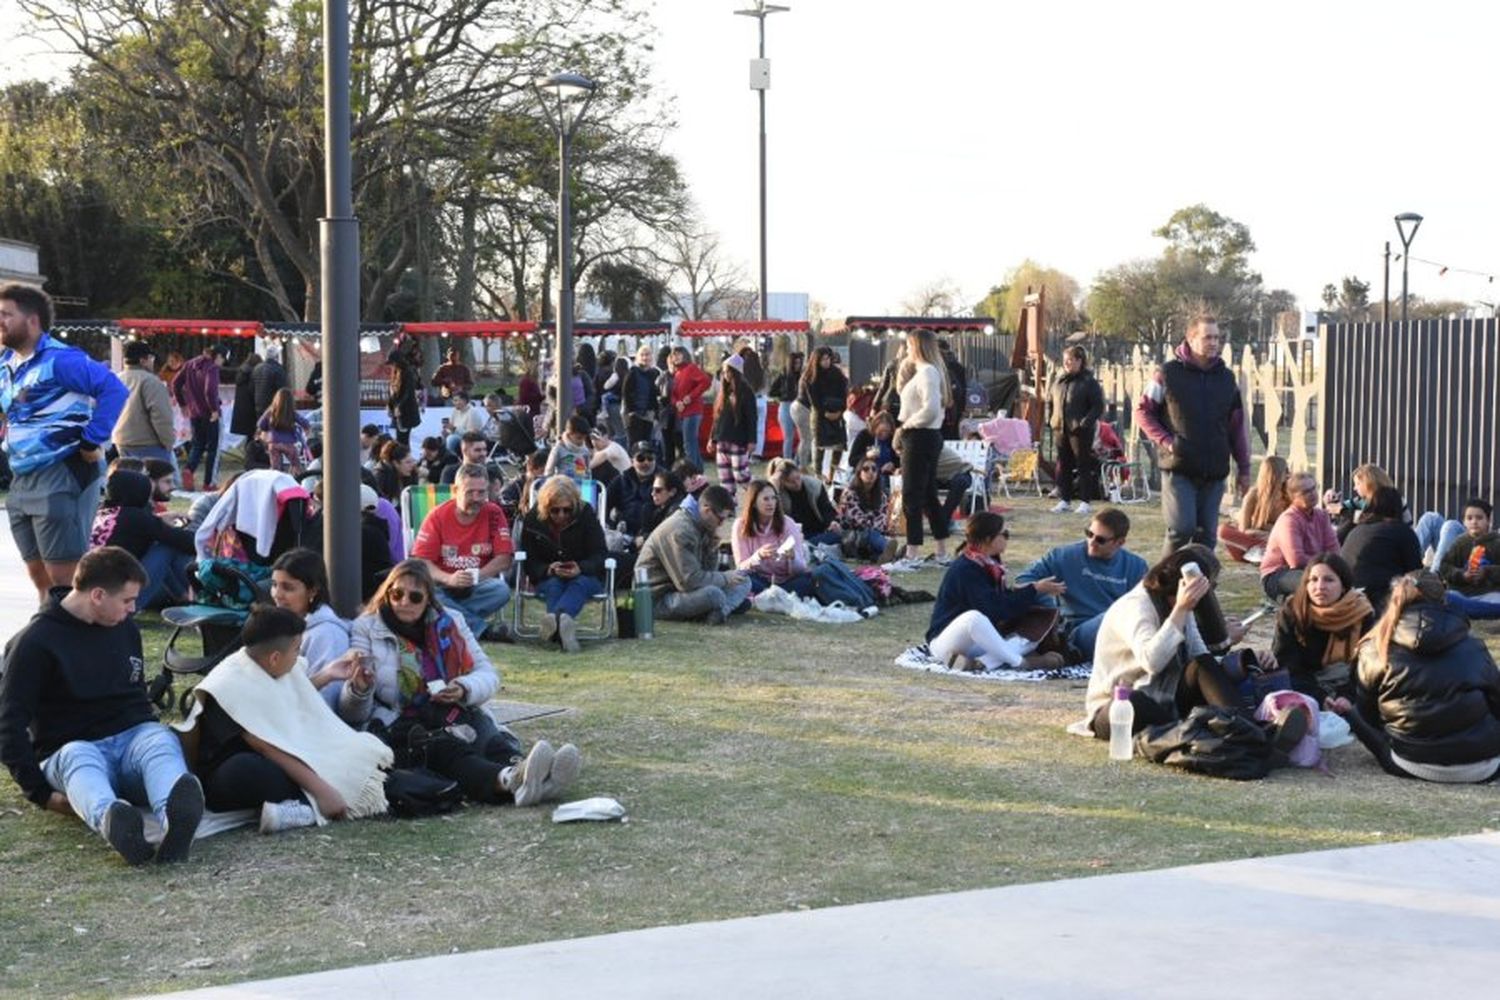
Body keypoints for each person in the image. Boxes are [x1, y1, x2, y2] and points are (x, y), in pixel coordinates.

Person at [0, 547, 204, 865]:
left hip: (131, 740)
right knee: (78, 757)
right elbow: (9, 723)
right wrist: (40, 793)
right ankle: (115, 821)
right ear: (97, 595)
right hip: (70, 748)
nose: (133, 608)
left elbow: (136, 694)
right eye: (127, 600)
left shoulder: (124, 628)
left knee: (158, 739)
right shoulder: (33, 644)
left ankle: (175, 818)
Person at [343, 560, 580, 806]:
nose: (404, 602)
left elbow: (487, 673)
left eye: (415, 597)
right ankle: (513, 780)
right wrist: (360, 688)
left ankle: (532, 776)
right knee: (448, 747)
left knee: (486, 731)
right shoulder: (367, 627)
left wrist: (463, 687)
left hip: (450, 710)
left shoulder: (451, 622)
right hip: (399, 722)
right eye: (397, 594)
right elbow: (354, 713)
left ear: (428, 600)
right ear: (387, 593)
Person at [174, 605, 391, 834]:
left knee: (342, 750)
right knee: (250, 770)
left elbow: (286, 697)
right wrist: (322, 790)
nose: (299, 656)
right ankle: (308, 807)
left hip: (272, 754)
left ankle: (302, 807)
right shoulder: (229, 683)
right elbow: (264, 745)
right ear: (275, 657)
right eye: (297, 649)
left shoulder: (264, 662)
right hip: (230, 774)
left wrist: (327, 675)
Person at [0, 283, 128, 604]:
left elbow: (114, 389)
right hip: (21, 477)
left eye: (5, 314)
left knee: (66, 581)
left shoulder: (60, 359)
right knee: (39, 576)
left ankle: (75, 646)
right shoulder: (6, 363)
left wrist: (91, 439)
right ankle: (47, 643)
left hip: (61, 472)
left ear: (32, 320)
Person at [1083, 544, 1278, 739]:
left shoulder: (1181, 605)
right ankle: (1210, 736)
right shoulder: (1136, 606)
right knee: (1134, 702)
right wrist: (1181, 609)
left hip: (1164, 695)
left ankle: (1249, 731)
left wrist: (1242, 661)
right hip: (1118, 706)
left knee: (1203, 664)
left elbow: (1200, 657)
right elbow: (1152, 662)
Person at [1327, 571, 1500, 783]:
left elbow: (1368, 714)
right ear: (1444, 597)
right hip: (1482, 763)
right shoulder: (1473, 646)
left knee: (1353, 712)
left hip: (1411, 762)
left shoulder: (1375, 647)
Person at [1134, 312, 1252, 557]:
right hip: (1179, 465)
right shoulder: (1166, 374)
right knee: (1181, 529)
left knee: (1206, 536)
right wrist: (1168, 442)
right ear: (1190, 338)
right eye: (1207, 337)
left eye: (1217, 338)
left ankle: (1200, 587)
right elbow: (1143, 412)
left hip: (1215, 469)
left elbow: (1236, 425)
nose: (1214, 343)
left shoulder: (1227, 379)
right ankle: (1161, 584)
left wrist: (1244, 468)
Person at [925, 512, 1065, 673]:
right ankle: (1021, 663)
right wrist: (1034, 589)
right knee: (974, 618)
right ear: (987, 539)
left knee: (1037, 627)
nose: (1007, 538)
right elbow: (994, 609)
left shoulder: (991, 564)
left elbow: (999, 604)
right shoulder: (966, 568)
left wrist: (1027, 590)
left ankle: (980, 663)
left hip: (978, 643)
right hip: (947, 641)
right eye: (1004, 534)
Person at [1016, 508, 1149, 660]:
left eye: (1100, 540)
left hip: (1122, 629)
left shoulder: (1136, 566)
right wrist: (1047, 604)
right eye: (1089, 534)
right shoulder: (1065, 556)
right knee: (1114, 617)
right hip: (1079, 633)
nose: (1092, 542)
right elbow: (1022, 581)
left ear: (1120, 542)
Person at [411, 462, 514, 640]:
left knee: (501, 590)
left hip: (476, 583)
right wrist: (449, 578)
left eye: (481, 492)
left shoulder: (494, 513)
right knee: (428, 594)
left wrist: (475, 576)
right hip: (441, 583)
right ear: (456, 490)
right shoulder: (437, 516)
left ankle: (444, 619)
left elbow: (504, 558)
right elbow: (421, 562)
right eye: (469, 492)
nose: (476, 497)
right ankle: (481, 630)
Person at [636, 484, 752, 625]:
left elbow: (707, 572)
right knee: (714, 595)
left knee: (744, 580)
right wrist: (725, 578)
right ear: (707, 510)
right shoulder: (680, 530)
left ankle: (720, 611)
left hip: (682, 592)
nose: (721, 525)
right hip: (656, 599)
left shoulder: (701, 525)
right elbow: (689, 582)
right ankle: (720, 608)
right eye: (720, 519)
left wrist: (712, 547)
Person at [517, 476, 609, 653]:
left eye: (567, 510)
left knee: (579, 583)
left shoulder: (586, 514)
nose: (561, 515)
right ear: (545, 508)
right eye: (555, 510)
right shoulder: (533, 519)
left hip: (586, 575)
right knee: (554, 584)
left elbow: (600, 555)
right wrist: (548, 569)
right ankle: (563, 624)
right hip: (549, 577)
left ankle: (555, 620)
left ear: (574, 506)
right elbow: (530, 561)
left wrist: (580, 567)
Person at [1272, 552, 1373, 704]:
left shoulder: (1361, 613)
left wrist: (1346, 697)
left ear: (1343, 586)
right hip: (1304, 686)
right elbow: (1285, 661)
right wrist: (1319, 697)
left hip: (1350, 686)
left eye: (1329, 580)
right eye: (1313, 580)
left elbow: (1368, 666)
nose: (1320, 587)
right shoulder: (1293, 610)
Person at [88, 469, 195, 610]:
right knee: (167, 547)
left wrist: (158, 520)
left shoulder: (101, 512)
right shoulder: (136, 517)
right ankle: (199, 596)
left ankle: (184, 598)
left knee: (161, 544)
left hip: (94, 594)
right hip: (118, 600)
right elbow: (188, 542)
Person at [893, 329, 952, 564]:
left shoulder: (927, 372)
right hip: (924, 436)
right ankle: (940, 550)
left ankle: (913, 553)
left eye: (909, 345)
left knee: (912, 495)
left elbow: (931, 410)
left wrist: (906, 426)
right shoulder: (925, 371)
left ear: (917, 346)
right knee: (927, 495)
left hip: (919, 436)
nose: (906, 349)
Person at [269, 548, 358, 700]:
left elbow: (326, 700)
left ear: (312, 591)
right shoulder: (284, 623)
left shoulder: (327, 634)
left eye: (287, 587)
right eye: (274, 585)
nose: (277, 594)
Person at [1340, 486, 1423, 614]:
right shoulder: (1402, 531)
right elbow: (1416, 573)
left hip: (1349, 599)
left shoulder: (1357, 529)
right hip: (1382, 601)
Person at [1259, 471, 1339, 600]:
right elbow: (1296, 560)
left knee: (1342, 581)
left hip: (1315, 568)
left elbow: (1333, 549)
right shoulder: (1289, 519)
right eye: (1306, 492)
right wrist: (1325, 567)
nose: (1312, 494)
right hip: (1279, 574)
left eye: (1314, 488)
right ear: (1293, 497)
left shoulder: (1322, 516)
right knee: (1318, 585)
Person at [1047, 345, 1105, 515]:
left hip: (1080, 430)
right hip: (1060, 428)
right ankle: (1065, 500)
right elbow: (1051, 401)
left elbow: (1098, 405)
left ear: (1080, 361)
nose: (1067, 363)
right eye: (1065, 360)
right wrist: (1050, 419)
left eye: (1071, 360)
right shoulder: (1059, 380)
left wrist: (1086, 422)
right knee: (1063, 464)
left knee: (1083, 464)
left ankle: (1085, 502)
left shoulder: (1089, 382)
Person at [732, 479, 814, 596]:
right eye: (765, 499)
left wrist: (793, 557)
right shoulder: (740, 525)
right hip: (759, 581)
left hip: (788, 582)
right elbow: (741, 567)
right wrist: (758, 556)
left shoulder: (788, 523)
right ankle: (773, 596)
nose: (771, 503)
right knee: (741, 579)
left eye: (773, 498)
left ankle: (773, 596)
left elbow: (801, 568)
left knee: (809, 580)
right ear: (754, 503)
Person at [112, 339, 178, 477]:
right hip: (148, 442)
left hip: (121, 440)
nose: (152, 362)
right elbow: (161, 415)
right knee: (155, 485)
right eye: (151, 358)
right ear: (143, 360)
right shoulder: (151, 381)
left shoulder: (116, 379)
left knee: (131, 483)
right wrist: (168, 441)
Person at [1436, 498, 1500, 620]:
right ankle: (1479, 611)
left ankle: (1470, 610)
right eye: (1469, 518)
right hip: (1462, 593)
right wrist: (1462, 575)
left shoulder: (1496, 543)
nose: (1474, 522)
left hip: (1488, 593)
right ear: (1464, 522)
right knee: (1449, 597)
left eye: (1479, 518)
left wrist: (1487, 571)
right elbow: (1445, 567)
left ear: (1488, 521)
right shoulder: (1459, 543)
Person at [174, 343, 225, 491]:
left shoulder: (190, 364)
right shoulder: (212, 367)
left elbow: (176, 383)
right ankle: (209, 482)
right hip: (210, 414)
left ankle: (189, 469)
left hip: (194, 412)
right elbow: (210, 390)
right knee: (213, 449)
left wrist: (182, 403)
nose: (222, 364)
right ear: (218, 356)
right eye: (223, 360)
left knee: (197, 444)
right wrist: (214, 409)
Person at [1219, 455, 1289, 563]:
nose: (1289, 474)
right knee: (1223, 531)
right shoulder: (1254, 495)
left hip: (1276, 540)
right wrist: (1265, 531)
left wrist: (1268, 531)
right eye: (1286, 471)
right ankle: (1261, 553)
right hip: (1256, 540)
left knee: (1285, 541)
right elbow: (1244, 530)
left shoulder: (1289, 495)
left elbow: (1289, 529)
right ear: (1274, 475)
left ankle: (1263, 553)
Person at [768, 458, 841, 547]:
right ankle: (805, 547)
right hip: (795, 535)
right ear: (782, 482)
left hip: (819, 531)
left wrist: (832, 522)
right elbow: (773, 517)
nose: (797, 483)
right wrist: (774, 486)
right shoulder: (778, 494)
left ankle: (806, 547)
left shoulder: (815, 486)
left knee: (836, 536)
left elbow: (826, 509)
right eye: (791, 482)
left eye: (798, 478)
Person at [800, 346, 849, 478]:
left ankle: (833, 475)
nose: (826, 362)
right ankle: (818, 474)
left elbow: (844, 394)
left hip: (837, 412)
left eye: (828, 359)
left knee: (839, 446)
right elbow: (813, 400)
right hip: (819, 415)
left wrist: (840, 411)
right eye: (823, 359)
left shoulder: (837, 374)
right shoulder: (810, 377)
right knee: (819, 446)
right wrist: (824, 413)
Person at [834, 454, 894, 562]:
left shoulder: (882, 496)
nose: (870, 472)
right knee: (868, 533)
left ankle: (883, 555)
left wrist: (874, 525)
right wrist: (872, 522)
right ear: (859, 473)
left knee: (873, 535)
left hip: (872, 534)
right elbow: (857, 520)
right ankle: (891, 551)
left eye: (874, 469)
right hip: (850, 536)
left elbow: (882, 520)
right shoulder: (849, 494)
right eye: (866, 469)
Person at [711, 354, 757, 490]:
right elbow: (717, 418)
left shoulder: (746, 392)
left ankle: (759, 491)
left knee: (741, 475)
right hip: (722, 439)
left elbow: (752, 417)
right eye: (724, 372)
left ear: (736, 372)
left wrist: (752, 440)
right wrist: (712, 438)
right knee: (725, 480)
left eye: (728, 371)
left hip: (738, 439)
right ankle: (728, 507)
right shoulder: (723, 392)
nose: (726, 375)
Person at [669, 345, 712, 468]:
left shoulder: (691, 368)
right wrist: (677, 402)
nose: (675, 357)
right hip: (683, 411)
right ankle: (698, 471)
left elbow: (706, 382)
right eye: (673, 355)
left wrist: (690, 397)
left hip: (693, 411)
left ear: (685, 355)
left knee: (688, 444)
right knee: (691, 443)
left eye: (678, 354)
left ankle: (691, 472)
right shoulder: (677, 373)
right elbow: (673, 394)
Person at [257, 387, 311, 476]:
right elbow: (305, 423)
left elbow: (261, 425)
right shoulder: (291, 413)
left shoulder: (270, 413)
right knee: (296, 465)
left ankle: (276, 484)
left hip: (273, 444)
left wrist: (268, 428)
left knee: (275, 468)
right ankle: (297, 480)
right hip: (288, 444)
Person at [611, 443, 658, 536]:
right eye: (641, 458)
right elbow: (605, 504)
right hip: (624, 533)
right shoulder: (621, 479)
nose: (646, 462)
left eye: (650, 458)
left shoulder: (663, 479)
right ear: (632, 461)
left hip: (653, 533)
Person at [622, 344, 661, 453]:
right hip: (635, 414)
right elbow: (626, 392)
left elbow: (656, 393)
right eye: (642, 355)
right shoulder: (632, 372)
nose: (645, 358)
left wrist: (656, 412)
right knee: (634, 444)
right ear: (638, 357)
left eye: (647, 355)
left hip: (649, 414)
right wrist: (630, 411)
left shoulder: (655, 373)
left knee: (646, 443)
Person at [770, 351, 806, 462]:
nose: (798, 366)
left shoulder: (801, 375)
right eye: (795, 363)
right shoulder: (783, 375)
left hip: (799, 405)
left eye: (799, 363)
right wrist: (782, 396)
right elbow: (772, 391)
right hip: (786, 405)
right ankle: (787, 460)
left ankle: (797, 460)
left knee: (804, 437)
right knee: (789, 436)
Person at [385, 340, 422, 447]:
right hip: (398, 409)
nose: (391, 366)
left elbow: (407, 392)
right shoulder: (396, 373)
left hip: (406, 411)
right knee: (400, 438)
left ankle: (404, 459)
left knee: (403, 440)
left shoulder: (407, 372)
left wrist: (398, 406)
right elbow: (393, 392)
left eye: (392, 363)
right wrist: (390, 405)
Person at [848, 410, 898, 479]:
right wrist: (866, 456)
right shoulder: (865, 435)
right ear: (874, 428)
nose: (884, 435)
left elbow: (898, 459)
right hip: (865, 477)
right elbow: (852, 461)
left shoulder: (892, 439)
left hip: (886, 476)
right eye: (881, 432)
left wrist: (893, 465)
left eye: (887, 432)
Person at [545, 413, 594, 482]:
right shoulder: (559, 448)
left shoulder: (585, 451)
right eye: (579, 438)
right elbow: (549, 470)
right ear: (569, 433)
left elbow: (588, 471)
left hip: (580, 486)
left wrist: (588, 483)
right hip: (563, 487)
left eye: (584, 438)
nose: (581, 441)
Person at [937, 339, 968, 440]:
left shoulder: (937, 366)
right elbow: (963, 390)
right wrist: (962, 408)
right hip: (955, 407)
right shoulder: (959, 367)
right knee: (953, 435)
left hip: (942, 407)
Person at [228, 352, 262, 443]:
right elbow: (253, 391)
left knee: (249, 436)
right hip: (251, 408)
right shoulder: (253, 373)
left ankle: (249, 455)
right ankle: (252, 455)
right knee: (253, 435)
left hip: (241, 409)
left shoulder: (241, 372)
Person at [251, 346, 289, 420]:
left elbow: (252, 388)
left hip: (258, 406)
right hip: (274, 407)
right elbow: (283, 390)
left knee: (261, 428)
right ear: (277, 356)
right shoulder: (278, 370)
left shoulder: (257, 368)